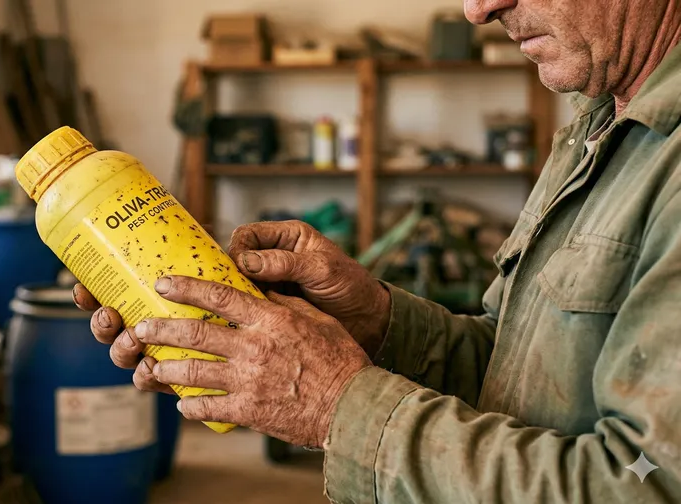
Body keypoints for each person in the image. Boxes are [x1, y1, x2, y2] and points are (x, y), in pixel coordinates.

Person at [74, 0, 681, 501]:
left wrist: (337, 404)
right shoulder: (600, 128)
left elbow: (641, 487)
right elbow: (513, 373)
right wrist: (370, 319)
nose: (479, 10)